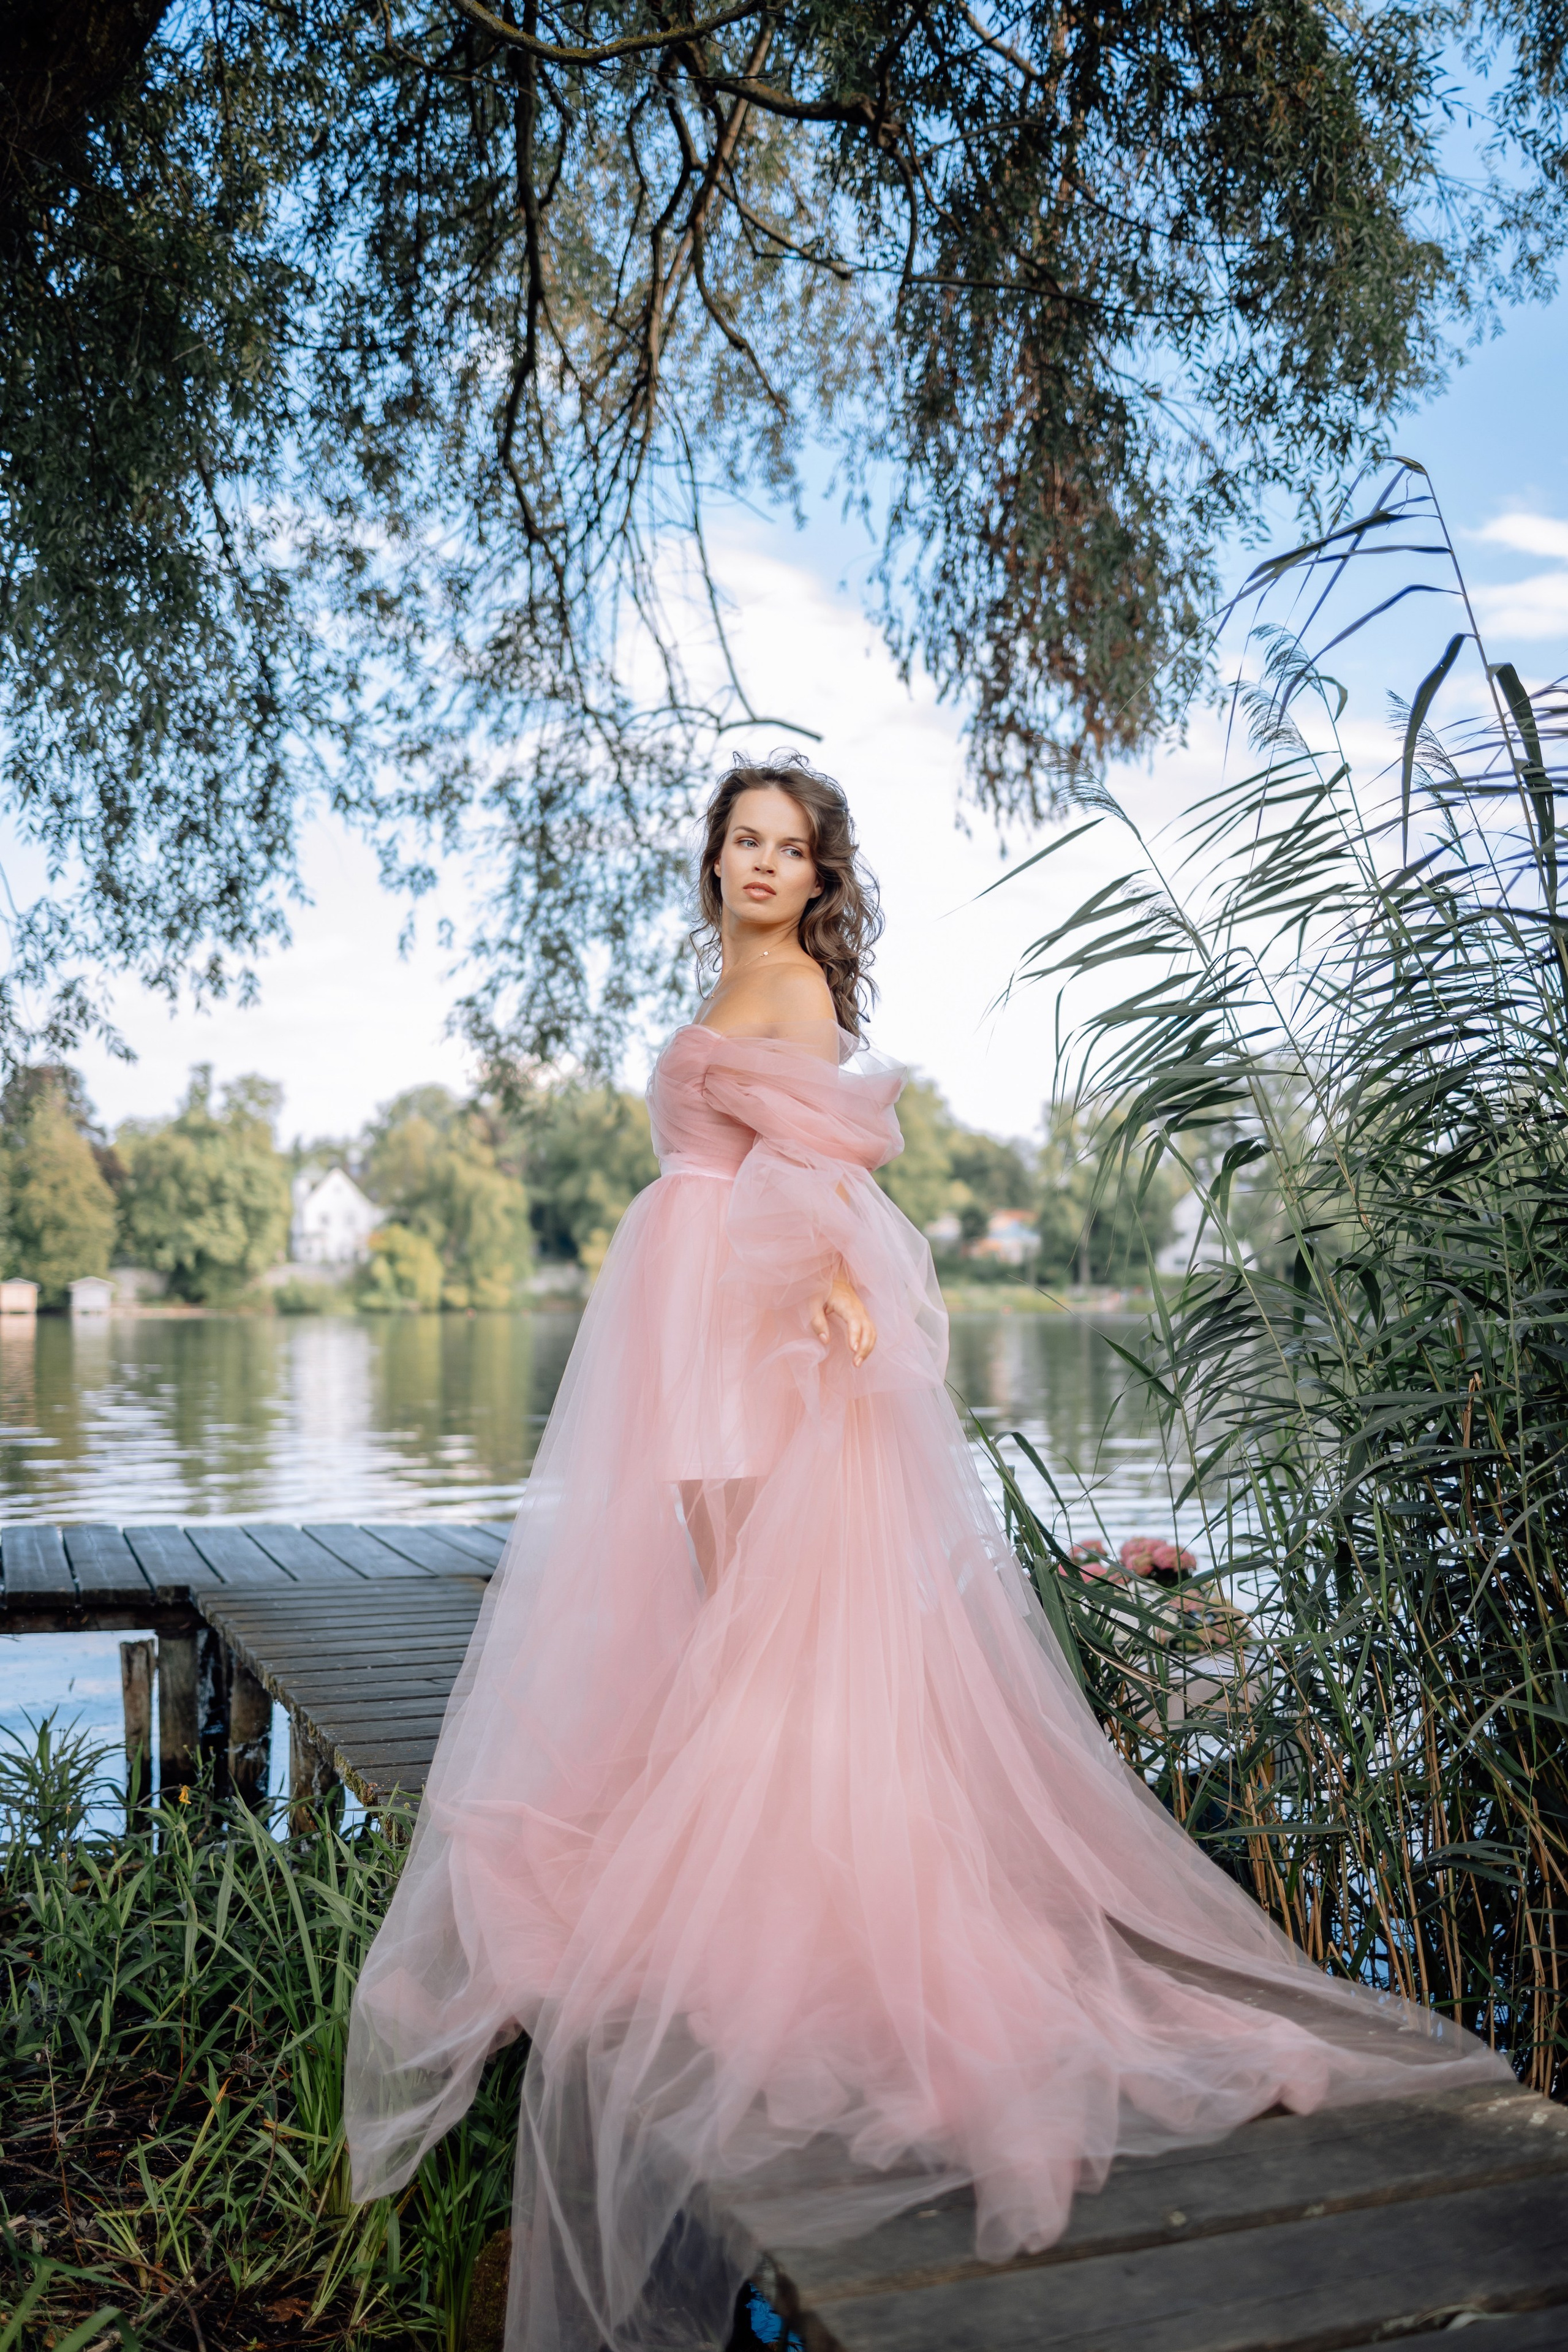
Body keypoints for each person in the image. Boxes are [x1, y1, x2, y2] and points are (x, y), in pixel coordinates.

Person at [345, 759, 1509, 2352]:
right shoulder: (735, 972)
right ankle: (722, 1849)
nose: (763, 864)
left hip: (736, 1310)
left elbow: (829, 1165)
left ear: (820, 871)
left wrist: (831, 1295)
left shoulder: (802, 985)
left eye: (790, 845)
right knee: (701, 1591)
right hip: (683, 1299)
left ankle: (781, 1891)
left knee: (745, 1594)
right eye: (744, 841)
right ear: (717, 860)